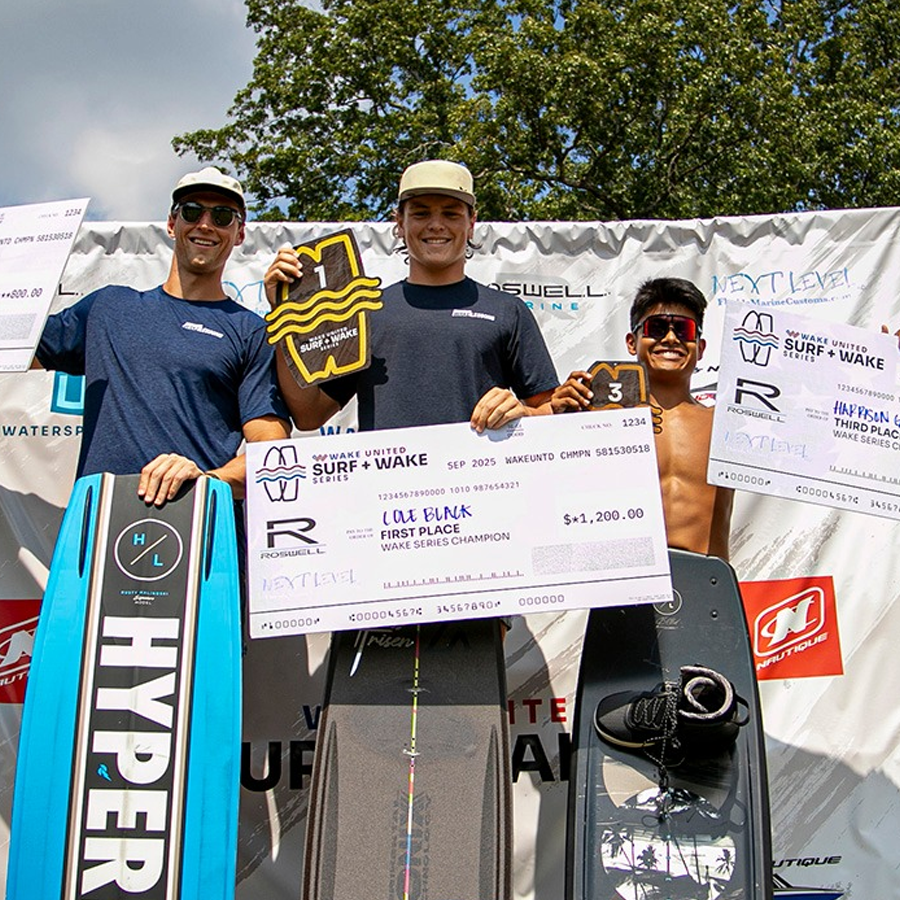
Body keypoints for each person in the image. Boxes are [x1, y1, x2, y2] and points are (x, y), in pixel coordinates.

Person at [34, 166, 291, 505]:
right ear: (172, 224)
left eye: (223, 216)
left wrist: (205, 480)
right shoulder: (108, 307)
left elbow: (271, 455)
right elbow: (15, 345)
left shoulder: (252, 332)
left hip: (197, 530)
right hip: (98, 522)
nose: (205, 224)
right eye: (192, 211)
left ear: (239, 233)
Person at [264, 159, 558, 431]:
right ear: (399, 224)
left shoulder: (508, 310)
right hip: (387, 487)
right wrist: (285, 316)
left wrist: (522, 412)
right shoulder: (364, 313)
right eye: (420, 213)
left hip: (479, 483)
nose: (436, 224)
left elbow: (549, 409)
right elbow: (309, 415)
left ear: (471, 223)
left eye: (451, 213)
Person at [552, 277, 733, 559]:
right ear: (631, 342)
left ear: (701, 347)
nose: (671, 339)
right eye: (657, 328)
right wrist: (551, 416)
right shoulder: (594, 419)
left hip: (707, 584)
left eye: (683, 330)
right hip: (624, 581)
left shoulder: (728, 426)